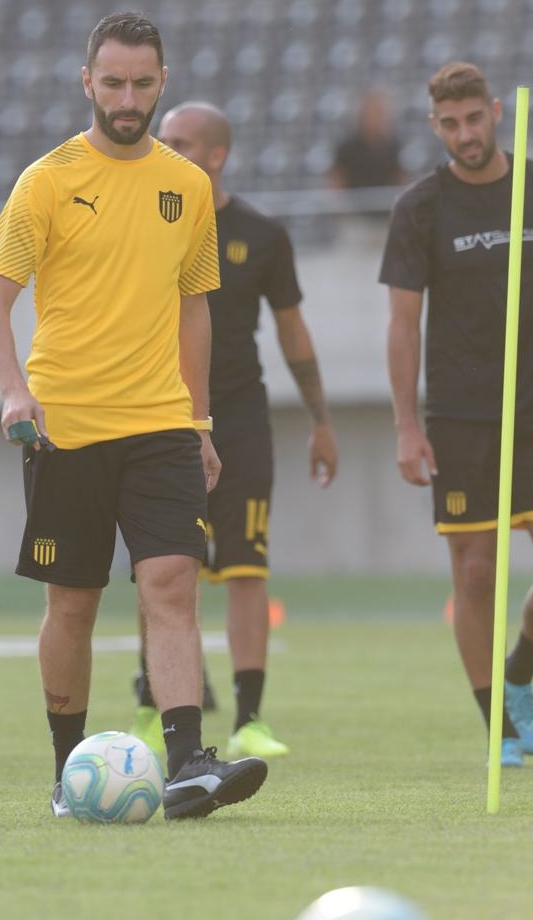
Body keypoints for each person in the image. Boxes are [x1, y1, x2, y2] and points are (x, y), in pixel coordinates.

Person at [0, 11, 268, 820]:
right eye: (113, 83)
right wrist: (12, 390)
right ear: (87, 83)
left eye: (142, 83)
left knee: (171, 582)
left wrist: (201, 424)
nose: (127, 97)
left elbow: (194, 312)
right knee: (72, 602)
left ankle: (185, 764)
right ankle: (70, 772)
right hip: (66, 425)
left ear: (161, 82)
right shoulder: (47, 180)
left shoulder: (187, 184)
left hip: (162, 424)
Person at [128, 102, 338, 761]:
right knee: (158, 566)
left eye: (180, 142)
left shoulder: (260, 233)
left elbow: (292, 330)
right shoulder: (144, 223)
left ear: (216, 155)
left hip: (241, 419)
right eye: (163, 141)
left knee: (246, 568)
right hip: (158, 414)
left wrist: (322, 421)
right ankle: (149, 707)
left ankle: (249, 719)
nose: (166, 149)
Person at [379, 61, 533, 767]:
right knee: (475, 574)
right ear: (433, 125)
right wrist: (405, 426)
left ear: (495, 113)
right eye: (448, 123)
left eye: (473, 118)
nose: (463, 134)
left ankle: (518, 673)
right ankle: (497, 725)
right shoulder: (419, 206)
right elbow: (400, 324)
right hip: (460, 416)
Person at [329, 88, 404, 190]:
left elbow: (399, 179)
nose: (377, 118)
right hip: (355, 204)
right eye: (373, 112)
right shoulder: (348, 148)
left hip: (385, 204)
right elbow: (337, 182)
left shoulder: (393, 146)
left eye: (380, 113)